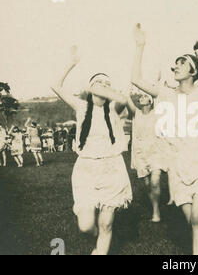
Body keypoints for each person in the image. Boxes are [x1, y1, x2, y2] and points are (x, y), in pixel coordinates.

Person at [131, 23, 198, 255]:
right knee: (195, 224)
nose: (175, 66)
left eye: (181, 62)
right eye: (175, 63)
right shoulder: (165, 93)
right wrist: (140, 46)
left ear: (193, 71)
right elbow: (136, 79)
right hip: (177, 165)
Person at [51, 45, 133, 255]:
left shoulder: (115, 108)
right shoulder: (81, 107)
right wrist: (72, 62)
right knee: (86, 226)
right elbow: (55, 85)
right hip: (86, 168)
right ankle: (99, 240)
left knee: (106, 223)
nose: (104, 87)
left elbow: (123, 99)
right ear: (90, 87)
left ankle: (101, 250)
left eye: (108, 84)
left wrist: (101, 87)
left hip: (112, 167)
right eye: (100, 83)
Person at [130, 91, 168, 223]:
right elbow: (127, 101)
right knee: (147, 185)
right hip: (141, 153)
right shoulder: (136, 114)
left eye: (146, 96)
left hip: (156, 151)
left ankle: (156, 212)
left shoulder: (156, 113)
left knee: (155, 181)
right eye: (141, 96)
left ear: (151, 102)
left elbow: (159, 96)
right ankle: (154, 208)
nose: (142, 97)